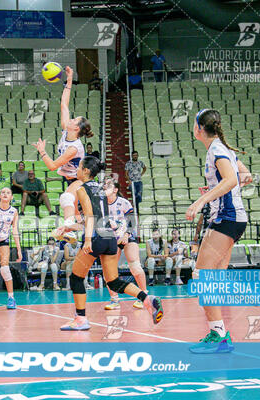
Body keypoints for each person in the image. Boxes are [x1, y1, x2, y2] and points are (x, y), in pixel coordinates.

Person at [186, 108, 260, 353]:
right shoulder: (222, 148)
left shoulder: (218, 149)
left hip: (227, 218)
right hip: (231, 217)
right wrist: (216, 188)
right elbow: (245, 176)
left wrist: (202, 201)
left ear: (199, 128)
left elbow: (232, 180)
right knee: (216, 281)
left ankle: (223, 332)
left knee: (202, 276)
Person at [54, 156, 163, 331]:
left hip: (96, 236)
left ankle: (81, 320)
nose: (77, 171)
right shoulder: (100, 189)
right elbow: (98, 216)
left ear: (87, 171)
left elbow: (90, 215)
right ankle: (146, 298)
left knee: (76, 277)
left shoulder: (82, 189)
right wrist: (68, 229)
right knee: (113, 281)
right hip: (109, 238)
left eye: (80, 168)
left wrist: (88, 239)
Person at [33, 66, 93, 244]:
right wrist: (69, 79)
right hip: (70, 179)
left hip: (81, 179)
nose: (71, 119)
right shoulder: (66, 130)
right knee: (79, 218)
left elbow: (52, 166)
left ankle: (71, 231)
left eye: (75, 120)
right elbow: (64, 104)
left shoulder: (73, 148)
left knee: (67, 198)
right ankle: (73, 231)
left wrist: (42, 151)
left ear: (77, 128)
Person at [102, 179, 148, 310]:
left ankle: (144, 295)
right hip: (110, 239)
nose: (104, 186)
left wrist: (126, 234)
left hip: (127, 236)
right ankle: (114, 300)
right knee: (109, 271)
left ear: (115, 190)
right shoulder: (101, 204)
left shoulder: (123, 202)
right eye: (104, 185)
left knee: (135, 266)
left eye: (108, 185)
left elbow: (133, 220)